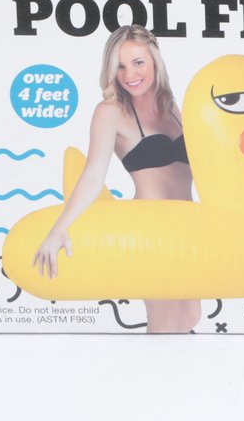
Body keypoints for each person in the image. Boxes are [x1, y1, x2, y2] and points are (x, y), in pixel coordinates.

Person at [30, 25, 201, 334]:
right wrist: (59, 229)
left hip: (188, 227)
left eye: (138, 62)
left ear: (155, 61)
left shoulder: (171, 106)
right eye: (119, 66)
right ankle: (153, 367)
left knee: (190, 316)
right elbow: (93, 175)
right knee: (165, 320)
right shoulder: (110, 111)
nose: (129, 74)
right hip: (150, 230)